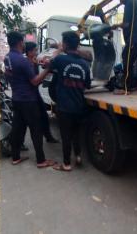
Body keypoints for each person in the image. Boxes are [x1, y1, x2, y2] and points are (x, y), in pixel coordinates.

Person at [4, 31, 56, 168]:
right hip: (28, 100)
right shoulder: (21, 60)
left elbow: (15, 74)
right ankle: (41, 160)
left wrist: (37, 63)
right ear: (21, 42)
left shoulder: (8, 58)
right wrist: (47, 70)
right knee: (36, 130)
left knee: (18, 128)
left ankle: (15, 157)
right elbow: (34, 81)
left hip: (17, 98)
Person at [50, 31, 91, 172]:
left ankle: (66, 164)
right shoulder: (85, 65)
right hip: (79, 106)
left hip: (64, 107)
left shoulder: (60, 60)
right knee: (76, 133)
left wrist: (59, 50)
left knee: (66, 136)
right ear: (77, 44)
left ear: (65, 44)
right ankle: (78, 156)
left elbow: (49, 62)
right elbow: (87, 85)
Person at [111, 0, 137, 93]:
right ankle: (131, 84)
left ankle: (127, 86)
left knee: (127, 60)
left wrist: (115, 26)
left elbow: (126, 24)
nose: (120, 1)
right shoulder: (136, 0)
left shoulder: (129, 3)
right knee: (129, 60)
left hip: (134, 38)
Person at [24, 42, 59, 143]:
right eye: (35, 50)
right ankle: (20, 143)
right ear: (30, 52)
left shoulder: (33, 61)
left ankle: (48, 136)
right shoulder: (27, 63)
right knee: (29, 121)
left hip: (35, 93)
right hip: (30, 95)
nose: (37, 52)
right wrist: (47, 70)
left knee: (44, 116)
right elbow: (33, 81)